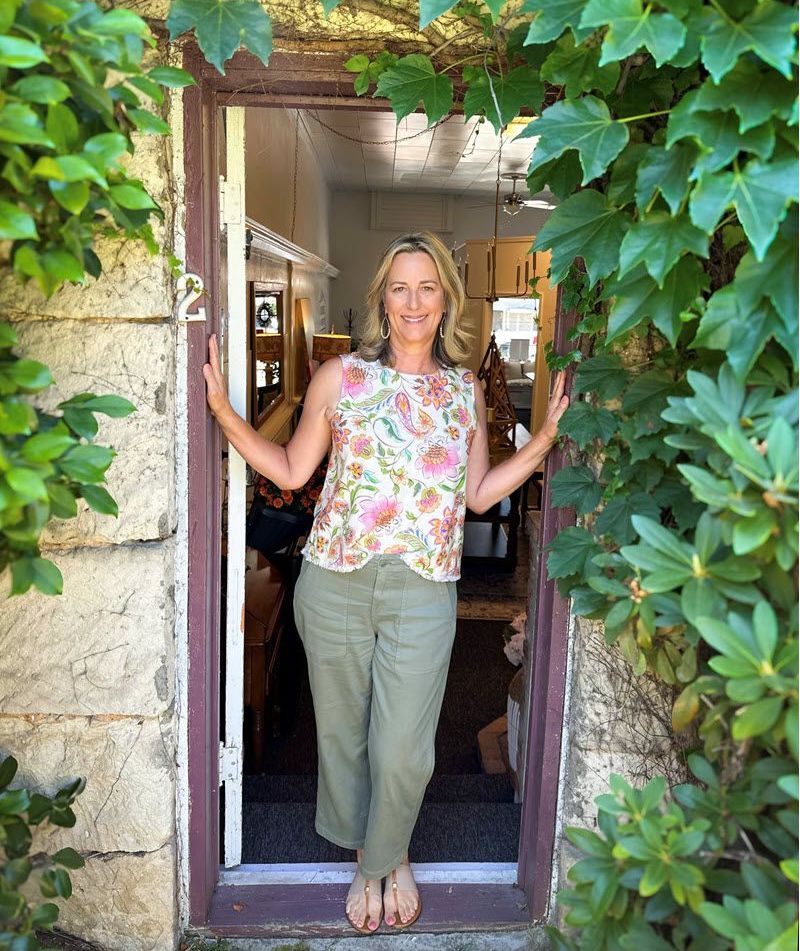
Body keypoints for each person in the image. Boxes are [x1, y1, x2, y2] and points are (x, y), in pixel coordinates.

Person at [204, 231, 569, 934]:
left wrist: (544, 441)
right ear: (382, 297)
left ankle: (379, 857)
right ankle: (382, 856)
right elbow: (288, 470)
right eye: (399, 287)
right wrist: (224, 411)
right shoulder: (341, 377)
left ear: (446, 302)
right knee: (344, 737)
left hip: (423, 588)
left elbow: (482, 494)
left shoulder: (462, 390)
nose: (413, 301)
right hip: (335, 582)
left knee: (405, 746)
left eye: (427, 287)